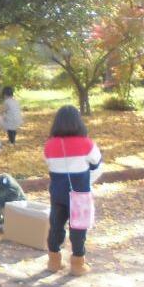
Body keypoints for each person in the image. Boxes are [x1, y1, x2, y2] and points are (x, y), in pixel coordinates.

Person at [44, 105, 102, 275]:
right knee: (78, 228)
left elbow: (50, 165)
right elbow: (98, 167)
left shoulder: (49, 145)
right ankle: (77, 265)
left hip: (57, 194)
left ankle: (53, 262)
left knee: (56, 226)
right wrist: (86, 181)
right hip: (80, 194)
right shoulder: (87, 144)